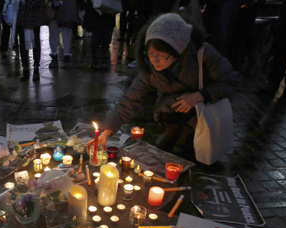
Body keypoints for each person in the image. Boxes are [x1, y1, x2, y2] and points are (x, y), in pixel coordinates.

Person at [88, 13, 238, 156]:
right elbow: (130, 101)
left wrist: (199, 96)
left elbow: (230, 81)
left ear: (178, 51)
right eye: (151, 54)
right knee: (169, 150)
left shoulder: (202, 54)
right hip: (172, 116)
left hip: (204, 117)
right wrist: (107, 131)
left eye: (161, 55)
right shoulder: (149, 68)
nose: (155, 60)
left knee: (197, 155)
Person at [16, 0, 48, 81]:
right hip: (23, 11)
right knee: (23, 41)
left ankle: (36, 67)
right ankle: (25, 68)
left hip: (35, 11)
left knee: (35, 40)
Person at [48, 0, 81, 68]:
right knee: (56, 30)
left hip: (66, 1)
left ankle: (61, 57)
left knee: (62, 31)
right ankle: (58, 56)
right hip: (61, 1)